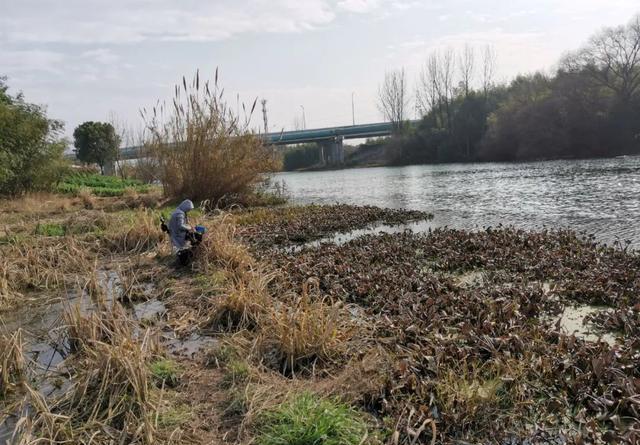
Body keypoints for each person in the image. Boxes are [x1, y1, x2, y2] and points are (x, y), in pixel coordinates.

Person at [168, 199, 196, 265]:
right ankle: (182, 260)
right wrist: (190, 228)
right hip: (177, 232)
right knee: (180, 247)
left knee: (178, 246)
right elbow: (180, 225)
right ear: (185, 207)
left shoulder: (178, 211)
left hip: (173, 231)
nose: (188, 211)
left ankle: (180, 258)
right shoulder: (180, 214)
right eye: (188, 209)